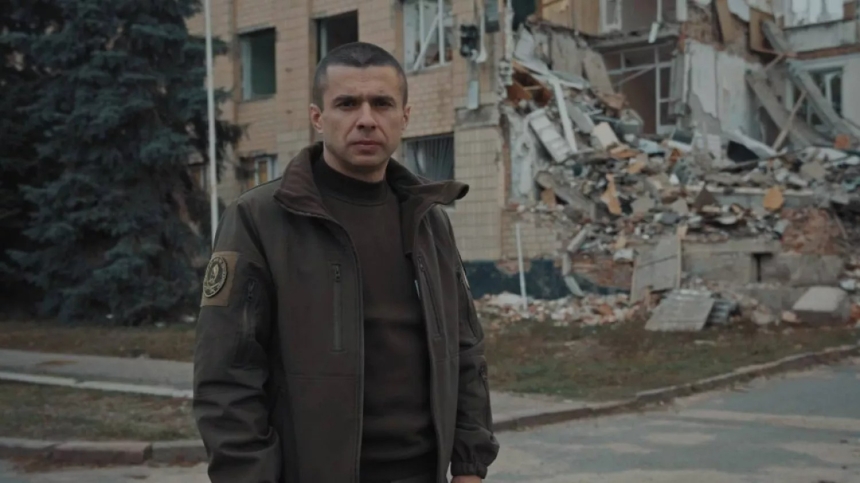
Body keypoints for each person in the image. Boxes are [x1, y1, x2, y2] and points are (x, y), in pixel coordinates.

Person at [192, 41, 500, 483]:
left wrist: (470, 466)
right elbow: (227, 374)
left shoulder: (428, 220)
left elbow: (465, 349)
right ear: (318, 117)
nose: (366, 119)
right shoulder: (260, 219)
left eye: (382, 104)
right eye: (347, 104)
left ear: (404, 117)